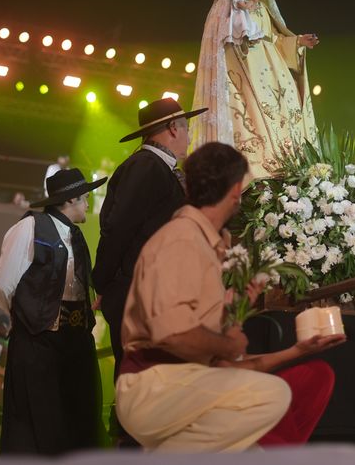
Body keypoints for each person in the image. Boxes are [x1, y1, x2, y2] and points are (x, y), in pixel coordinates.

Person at [114, 142, 341, 452]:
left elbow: (226, 366)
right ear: (236, 190)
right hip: (152, 385)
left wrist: (297, 349)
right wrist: (228, 342)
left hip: (184, 385)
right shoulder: (181, 239)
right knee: (270, 395)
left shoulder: (210, 246)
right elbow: (172, 334)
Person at [0, 167, 105, 455]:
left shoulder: (76, 236)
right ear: (70, 200)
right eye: (84, 198)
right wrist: (31, 317)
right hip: (39, 344)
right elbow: (3, 286)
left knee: (76, 421)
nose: (88, 204)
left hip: (73, 345)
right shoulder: (29, 228)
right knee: (37, 424)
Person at [93, 97, 206, 379]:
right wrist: (103, 282)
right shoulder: (146, 166)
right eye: (187, 127)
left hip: (147, 291)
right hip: (137, 292)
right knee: (140, 378)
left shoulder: (154, 167)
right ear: (172, 128)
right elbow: (118, 227)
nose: (190, 136)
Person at [190, 0, 319, 179]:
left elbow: (276, 39)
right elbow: (225, 37)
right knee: (254, 117)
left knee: (284, 115)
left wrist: (298, 41)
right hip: (248, 67)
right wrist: (235, 8)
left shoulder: (261, 6)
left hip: (274, 69)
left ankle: (290, 166)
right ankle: (259, 168)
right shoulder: (230, 4)